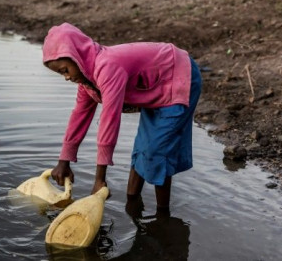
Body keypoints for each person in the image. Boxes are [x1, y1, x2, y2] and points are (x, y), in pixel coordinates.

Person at [43, 22, 202, 212]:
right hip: (154, 86)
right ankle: (132, 203)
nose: (66, 77)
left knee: (157, 150)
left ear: (76, 56)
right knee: (142, 145)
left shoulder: (107, 67)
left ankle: (162, 215)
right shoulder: (86, 81)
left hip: (179, 75)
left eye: (64, 70)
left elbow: (110, 121)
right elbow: (79, 116)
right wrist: (64, 161)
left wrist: (100, 180)